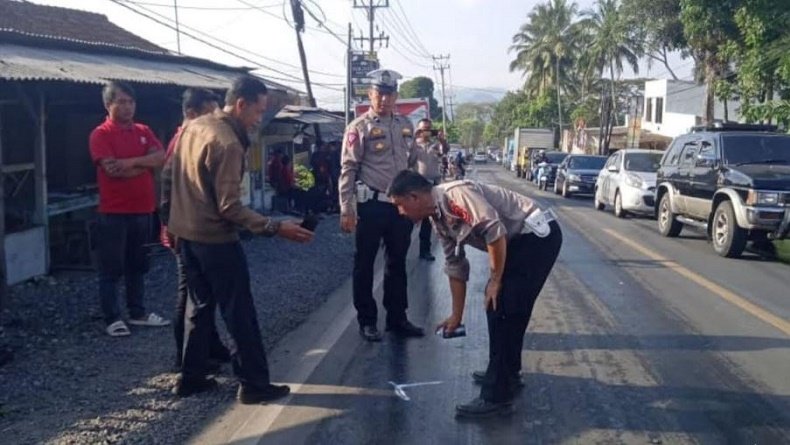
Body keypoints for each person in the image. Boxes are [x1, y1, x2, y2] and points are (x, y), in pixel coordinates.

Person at [166, 75, 315, 403]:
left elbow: (167, 176)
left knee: (199, 307)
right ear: (241, 104)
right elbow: (230, 207)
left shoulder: (193, 127)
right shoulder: (228, 143)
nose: (259, 119)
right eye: (258, 111)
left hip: (186, 238)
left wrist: (170, 223)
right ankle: (253, 384)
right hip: (216, 241)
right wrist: (276, 227)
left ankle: (191, 377)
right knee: (239, 313)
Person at [388, 170, 563, 418]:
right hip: (517, 241)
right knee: (501, 307)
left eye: (400, 205)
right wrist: (455, 316)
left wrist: (495, 279)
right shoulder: (437, 218)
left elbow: (495, 232)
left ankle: (497, 396)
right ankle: (506, 373)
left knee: (503, 306)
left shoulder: (455, 195)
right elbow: (455, 265)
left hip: (536, 237)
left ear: (414, 197)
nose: (400, 212)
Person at [339, 69, 423, 342]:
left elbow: (412, 164)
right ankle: (367, 321)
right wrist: (347, 208)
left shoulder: (405, 124)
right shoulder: (358, 128)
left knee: (397, 263)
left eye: (389, 94)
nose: (385, 99)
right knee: (364, 263)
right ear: (370, 95)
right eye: (380, 94)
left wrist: (418, 202)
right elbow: (348, 168)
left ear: (396, 96)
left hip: (399, 208)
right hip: (371, 206)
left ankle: (397, 318)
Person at [89, 81, 169, 337]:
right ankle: (112, 318)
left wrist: (131, 162)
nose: (127, 107)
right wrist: (144, 165)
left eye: (130, 102)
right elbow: (112, 170)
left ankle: (137, 312)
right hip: (113, 212)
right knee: (111, 268)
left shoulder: (143, 130)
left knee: (138, 264)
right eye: (120, 102)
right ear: (108, 104)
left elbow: (162, 157)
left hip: (143, 210)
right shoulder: (100, 134)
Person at [160, 88, 229, 370]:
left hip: (190, 228)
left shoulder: (196, 138)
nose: (215, 119)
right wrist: (171, 227)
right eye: (208, 113)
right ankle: (186, 358)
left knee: (203, 295)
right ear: (191, 114)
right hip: (184, 230)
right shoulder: (183, 141)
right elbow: (166, 188)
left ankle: (209, 348)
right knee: (190, 296)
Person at [412, 118, 449, 261]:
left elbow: (444, 151)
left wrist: (442, 140)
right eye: (422, 129)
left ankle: (425, 251)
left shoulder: (435, 145)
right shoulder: (413, 146)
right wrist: (414, 139)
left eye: (428, 129)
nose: (425, 132)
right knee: (409, 219)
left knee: (428, 220)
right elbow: (407, 158)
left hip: (432, 186)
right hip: (416, 186)